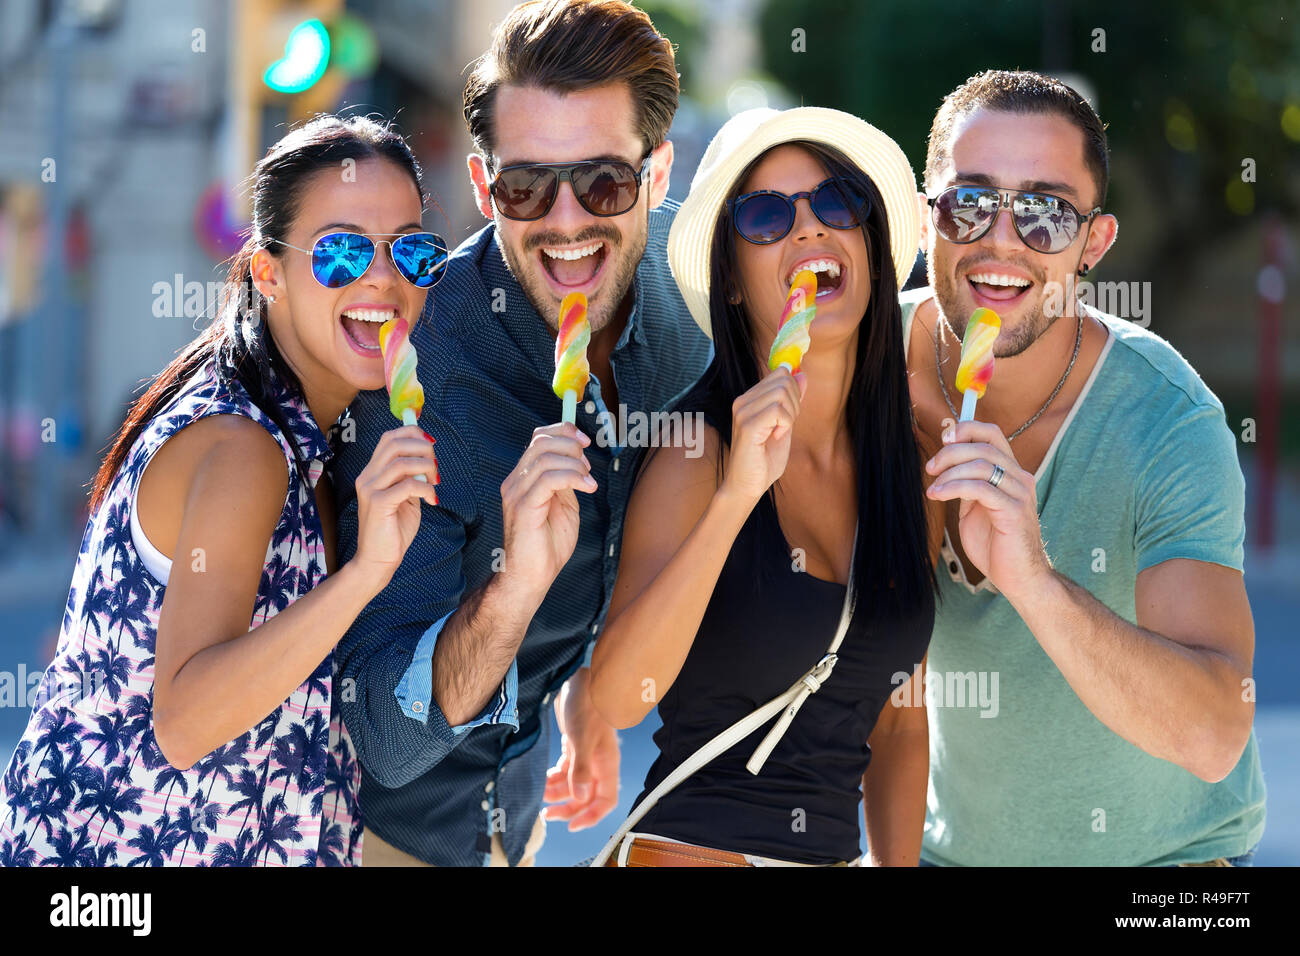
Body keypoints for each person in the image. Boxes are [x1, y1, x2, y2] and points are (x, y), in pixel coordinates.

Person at [0, 114, 442, 866]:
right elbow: (186, 719)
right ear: (267, 273)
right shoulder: (244, 449)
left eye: (411, 250)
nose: (381, 277)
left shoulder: (310, 444)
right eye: (339, 251)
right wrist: (366, 578)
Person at [330, 0, 710, 867]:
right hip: (391, 840)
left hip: (521, 813)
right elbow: (386, 737)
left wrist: (585, 683)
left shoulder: (683, 301)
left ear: (656, 175)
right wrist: (513, 590)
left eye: (605, 182)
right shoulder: (416, 384)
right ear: (480, 186)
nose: (568, 221)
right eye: (526, 185)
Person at [906, 70, 1265, 866]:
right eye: (971, 201)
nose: (1001, 239)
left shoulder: (1168, 420)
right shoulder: (858, 373)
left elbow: (1212, 735)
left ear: (1093, 243)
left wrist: (1032, 579)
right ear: (924, 211)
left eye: (1044, 211)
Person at [587, 106, 943, 867]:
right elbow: (618, 696)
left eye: (839, 201)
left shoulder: (911, 470)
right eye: (765, 216)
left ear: (872, 250)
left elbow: (899, 722)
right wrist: (736, 499)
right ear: (735, 285)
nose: (809, 228)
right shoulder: (698, 454)